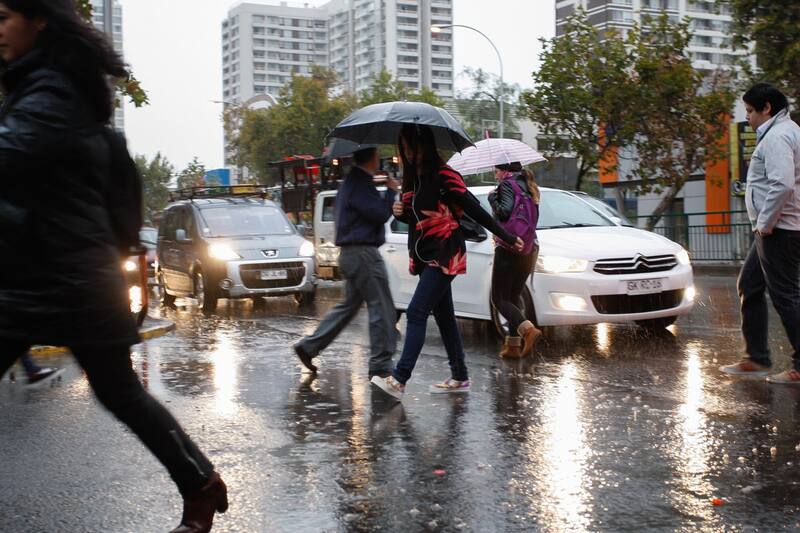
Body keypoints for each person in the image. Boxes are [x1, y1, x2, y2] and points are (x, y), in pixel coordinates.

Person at [0, 2, 227, 531]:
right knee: (119, 391)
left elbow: (9, 158)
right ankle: (199, 482)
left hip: (64, 280)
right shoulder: (54, 91)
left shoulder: (50, 95)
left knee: (120, 391)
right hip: (49, 275)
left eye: (5, 16)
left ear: (39, 20)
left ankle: (200, 483)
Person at [371, 124, 524, 400]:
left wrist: (508, 237)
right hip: (424, 254)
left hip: (445, 252)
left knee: (416, 312)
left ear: (425, 146)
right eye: (403, 148)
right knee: (444, 317)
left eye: (411, 147)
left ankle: (399, 379)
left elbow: (474, 209)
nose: (407, 153)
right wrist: (400, 212)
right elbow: (415, 217)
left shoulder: (445, 175)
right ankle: (460, 376)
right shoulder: (412, 178)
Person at [294, 146, 399, 379]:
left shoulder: (350, 183)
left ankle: (309, 346)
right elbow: (379, 214)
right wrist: (391, 192)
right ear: (372, 157)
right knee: (381, 307)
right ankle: (381, 363)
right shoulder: (361, 184)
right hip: (364, 254)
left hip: (351, 254)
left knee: (348, 307)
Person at [720, 83, 800, 384]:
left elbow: (782, 183)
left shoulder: (778, 136)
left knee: (785, 296)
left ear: (767, 108)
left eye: (751, 110)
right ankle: (756, 358)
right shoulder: (784, 131)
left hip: (779, 228)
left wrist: (765, 223)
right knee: (750, 285)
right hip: (774, 227)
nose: (747, 116)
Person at [488, 163, 542, 359]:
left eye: (496, 171)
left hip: (509, 247)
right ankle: (512, 346)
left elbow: (504, 212)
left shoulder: (507, 185)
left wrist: (492, 198)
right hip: (529, 247)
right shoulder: (529, 185)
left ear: (504, 170)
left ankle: (528, 330)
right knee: (512, 296)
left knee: (499, 298)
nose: (495, 175)